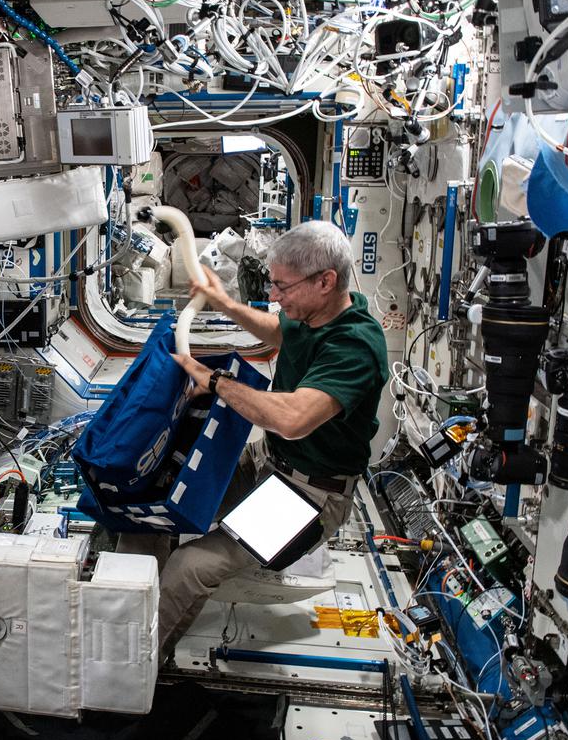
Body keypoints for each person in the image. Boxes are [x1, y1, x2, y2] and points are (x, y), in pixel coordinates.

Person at [122, 220, 390, 657]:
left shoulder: (355, 346)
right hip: (271, 460)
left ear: (326, 281)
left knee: (191, 567)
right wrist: (224, 303)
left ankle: (138, 667)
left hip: (308, 493)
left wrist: (217, 381)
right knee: (154, 505)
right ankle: (126, 610)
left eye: (284, 287)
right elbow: (279, 330)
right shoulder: (318, 311)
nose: (276, 296)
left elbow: (292, 419)